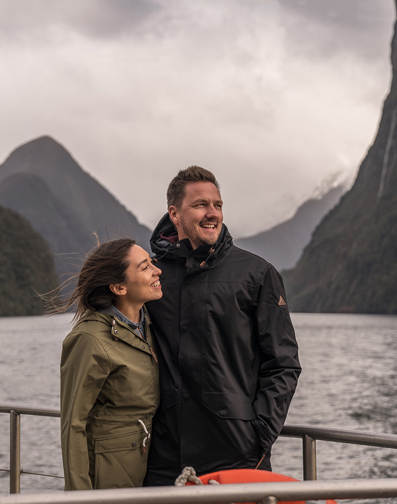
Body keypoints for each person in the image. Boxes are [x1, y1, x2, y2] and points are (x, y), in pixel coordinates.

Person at [144, 166, 301, 485]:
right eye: (201, 204)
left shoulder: (257, 274)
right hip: (163, 459)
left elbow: (283, 364)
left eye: (218, 205)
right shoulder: (152, 276)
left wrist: (259, 436)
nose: (212, 213)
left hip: (238, 455)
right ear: (175, 214)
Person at [58, 239, 162, 490]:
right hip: (108, 476)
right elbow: (73, 424)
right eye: (145, 266)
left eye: (152, 263)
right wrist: (80, 496)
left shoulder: (148, 326)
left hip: (146, 467)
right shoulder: (89, 339)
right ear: (118, 287)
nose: (157, 271)